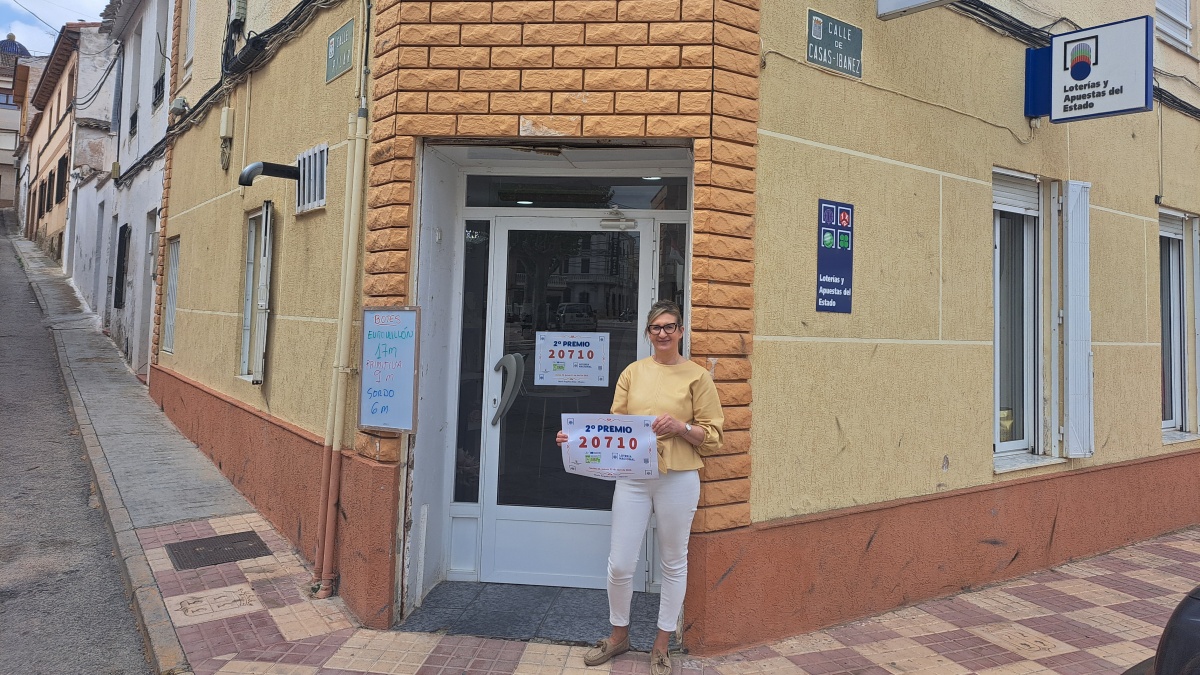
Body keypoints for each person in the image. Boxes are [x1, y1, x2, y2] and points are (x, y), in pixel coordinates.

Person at [556, 300, 724, 675]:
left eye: (669, 326)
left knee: (673, 562)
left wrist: (681, 427)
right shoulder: (633, 372)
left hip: (678, 476)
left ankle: (661, 644)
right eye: (655, 327)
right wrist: (575, 440)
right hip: (633, 476)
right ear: (648, 333)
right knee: (620, 563)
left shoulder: (698, 377)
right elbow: (612, 428)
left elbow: (713, 437)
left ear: (681, 331)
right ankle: (619, 635)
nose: (663, 333)